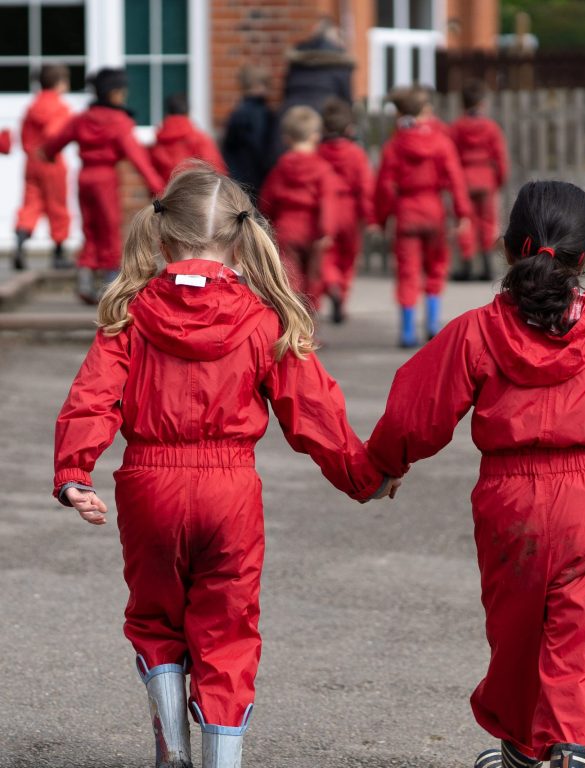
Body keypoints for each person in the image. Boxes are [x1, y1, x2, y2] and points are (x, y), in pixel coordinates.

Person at [52, 167, 398, 768]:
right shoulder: (265, 318)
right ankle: (223, 761)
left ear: (163, 237)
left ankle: (173, 749)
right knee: (228, 629)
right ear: (240, 238)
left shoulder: (130, 312)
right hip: (230, 488)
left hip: (148, 483)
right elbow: (312, 412)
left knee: (156, 618)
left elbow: (92, 396)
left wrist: (74, 474)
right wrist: (362, 477)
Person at [366, 181, 585, 768]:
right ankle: (564, 747)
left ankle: (523, 750)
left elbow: (417, 407)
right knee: (580, 636)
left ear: (506, 249)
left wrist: (385, 464)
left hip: (508, 502)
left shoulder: (477, 331)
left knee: (517, 636)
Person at [44, 67, 163, 304]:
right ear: (114, 93)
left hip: (84, 177)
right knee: (109, 229)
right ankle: (109, 283)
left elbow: (54, 143)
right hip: (105, 178)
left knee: (89, 228)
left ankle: (86, 275)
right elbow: (138, 158)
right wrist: (157, 188)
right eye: (122, 91)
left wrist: (47, 153)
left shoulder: (82, 118)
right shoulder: (119, 122)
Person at [374, 86, 471, 347]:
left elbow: (383, 185)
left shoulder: (394, 146)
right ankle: (432, 322)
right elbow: (456, 181)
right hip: (434, 211)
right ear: (427, 112)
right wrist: (463, 214)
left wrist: (382, 218)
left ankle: (407, 330)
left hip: (406, 212)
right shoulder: (442, 143)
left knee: (407, 272)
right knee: (436, 266)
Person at [259, 106, 339, 311]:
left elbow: (268, 200)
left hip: (286, 228)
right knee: (313, 282)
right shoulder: (322, 169)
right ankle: (310, 330)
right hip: (313, 229)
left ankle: (294, 329)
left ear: (286, 139)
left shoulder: (280, 168)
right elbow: (327, 202)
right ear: (316, 137)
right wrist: (327, 231)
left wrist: (270, 223)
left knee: (291, 282)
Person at [317, 97, 375, 323]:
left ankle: (331, 285)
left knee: (327, 256)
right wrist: (369, 217)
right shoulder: (356, 154)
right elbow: (366, 187)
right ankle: (342, 292)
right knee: (349, 258)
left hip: (327, 208)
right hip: (350, 210)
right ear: (349, 128)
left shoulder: (319, 152)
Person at [14, 64, 72, 271]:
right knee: (57, 206)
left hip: (32, 161)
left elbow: (22, 136)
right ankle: (58, 253)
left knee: (31, 203)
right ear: (59, 84)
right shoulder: (60, 107)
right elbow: (56, 135)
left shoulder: (32, 107)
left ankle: (20, 241)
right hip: (51, 160)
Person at [450, 80, 509, 282]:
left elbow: (450, 156)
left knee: (466, 221)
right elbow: (500, 157)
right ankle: (486, 265)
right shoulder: (491, 128)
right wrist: (499, 179)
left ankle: (466, 266)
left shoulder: (457, 128)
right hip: (485, 178)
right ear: (482, 104)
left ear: (462, 104)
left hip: (464, 177)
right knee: (487, 222)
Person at [221, 65, 276, 199]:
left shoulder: (237, 112)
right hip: (256, 181)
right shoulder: (260, 114)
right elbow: (260, 150)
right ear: (259, 86)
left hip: (237, 178)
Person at [150, 93, 227, 184]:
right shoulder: (199, 138)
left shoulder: (159, 141)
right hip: (194, 193)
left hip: (167, 194)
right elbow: (215, 170)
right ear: (188, 112)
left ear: (168, 112)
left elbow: (153, 172)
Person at [282, 16, 354, 112]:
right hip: (325, 114)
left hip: (291, 113)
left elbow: (287, 90)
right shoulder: (340, 60)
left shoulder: (298, 57)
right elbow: (346, 100)